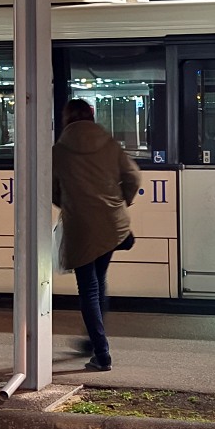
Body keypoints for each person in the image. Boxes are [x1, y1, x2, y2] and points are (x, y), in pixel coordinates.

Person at [52, 99, 141, 372]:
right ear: (91, 116)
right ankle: (94, 342)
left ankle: (101, 353)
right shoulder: (110, 144)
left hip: (80, 227)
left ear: (66, 119)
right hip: (111, 225)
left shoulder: (59, 151)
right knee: (99, 282)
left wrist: (69, 203)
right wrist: (118, 202)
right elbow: (134, 178)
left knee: (88, 289)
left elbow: (51, 188)